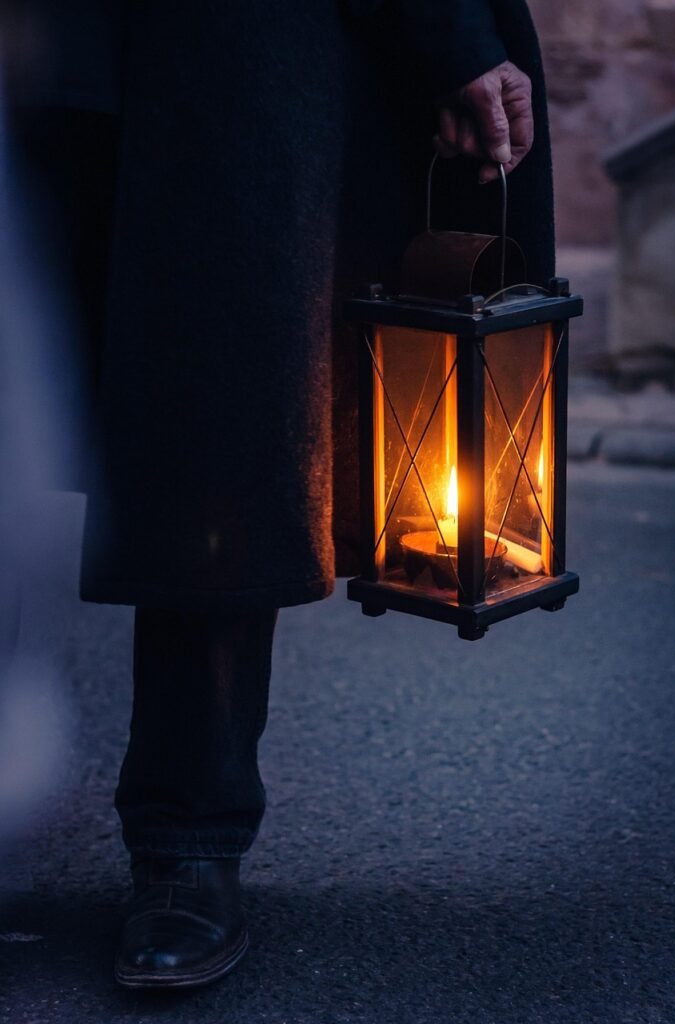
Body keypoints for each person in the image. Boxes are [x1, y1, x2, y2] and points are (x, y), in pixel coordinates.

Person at [3, 0, 552, 991]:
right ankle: (178, 832)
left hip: (234, 57)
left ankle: (187, 835)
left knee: (219, 434)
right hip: (105, 46)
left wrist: (447, 36)